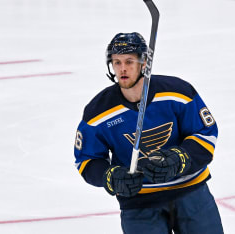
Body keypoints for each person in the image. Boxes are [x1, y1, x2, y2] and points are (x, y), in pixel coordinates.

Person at [74, 32, 224, 234]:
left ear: (144, 63)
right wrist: (110, 176)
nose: (123, 69)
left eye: (129, 61)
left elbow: (205, 133)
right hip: (139, 203)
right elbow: (87, 160)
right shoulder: (97, 112)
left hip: (191, 192)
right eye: (117, 62)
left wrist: (181, 158)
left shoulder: (178, 93)